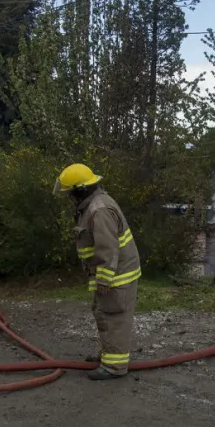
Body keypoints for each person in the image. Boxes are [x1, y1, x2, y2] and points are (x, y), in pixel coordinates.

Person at [54, 163, 141, 381]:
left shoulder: (98, 210)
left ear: (81, 189)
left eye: (71, 192)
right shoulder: (93, 205)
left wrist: (104, 279)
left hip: (115, 276)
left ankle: (114, 366)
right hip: (110, 273)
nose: (69, 197)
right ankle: (108, 357)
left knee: (114, 318)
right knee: (104, 314)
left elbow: (107, 248)